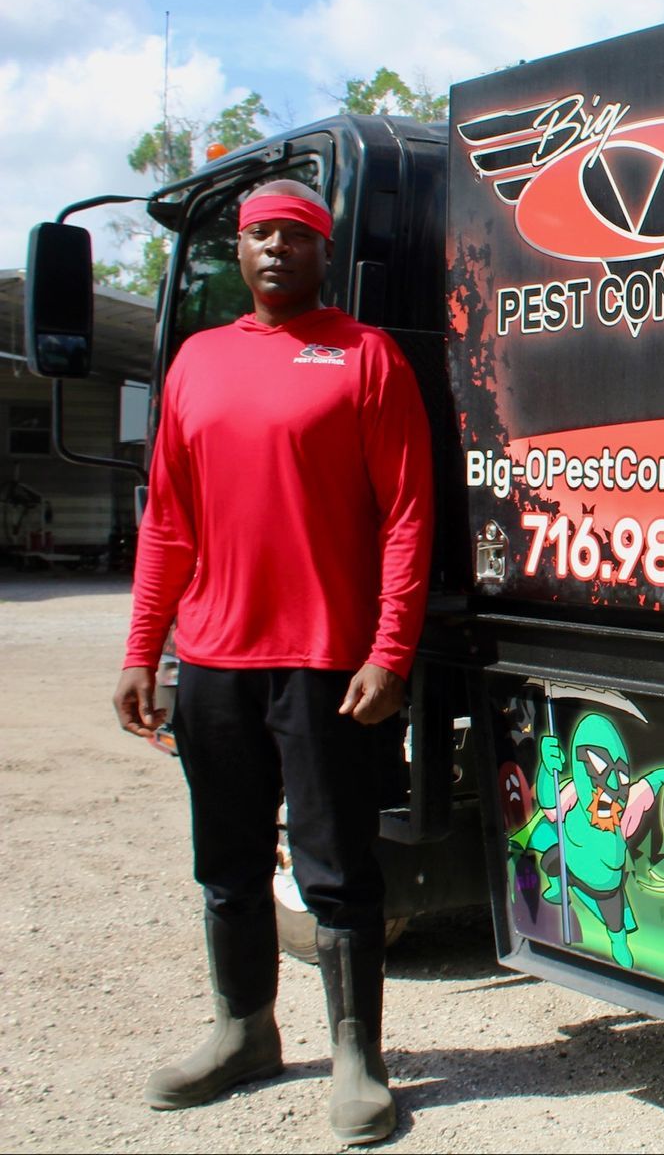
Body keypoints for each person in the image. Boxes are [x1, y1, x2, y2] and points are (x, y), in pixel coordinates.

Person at [112, 178, 433, 1145]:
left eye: (295, 236)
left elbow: (408, 517)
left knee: (336, 872)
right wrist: (144, 649)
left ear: (323, 252)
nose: (275, 250)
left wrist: (391, 648)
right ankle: (243, 1031)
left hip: (328, 663)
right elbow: (169, 521)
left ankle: (357, 1061)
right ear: (237, 252)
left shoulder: (367, 358)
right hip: (213, 660)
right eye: (259, 236)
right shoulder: (197, 364)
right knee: (230, 863)